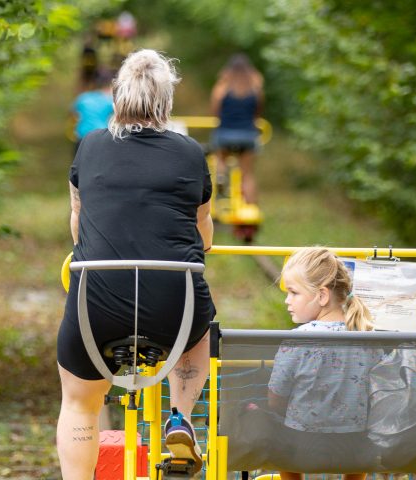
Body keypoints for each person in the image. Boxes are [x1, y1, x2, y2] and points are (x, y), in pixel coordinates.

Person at [55, 49, 215, 479]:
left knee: (79, 403)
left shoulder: (89, 147)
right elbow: (203, 233)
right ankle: (179, 417)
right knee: (200, 333)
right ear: (166, 100)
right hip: (173, 303)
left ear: (117, 96)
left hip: (98, 298)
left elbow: (78, 222)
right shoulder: (189, 153)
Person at [267, 248, 375, 480]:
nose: (287, 300)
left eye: (294, 293)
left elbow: (275, 399)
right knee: (362, 431)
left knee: (273, 423)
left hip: (302, 449)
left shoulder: (297, 339)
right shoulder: (369, 336)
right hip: (355, 450)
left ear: (322, 296)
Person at [210, 53, 265, 204]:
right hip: (248, 135)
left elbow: (215, 111)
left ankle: (221, 177)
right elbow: (258, 111)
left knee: (220, 159)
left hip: (225, 134)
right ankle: (251, 211)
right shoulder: (255, 87)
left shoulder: (222, 87)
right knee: (247, 175)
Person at [72, 72, 115, 140]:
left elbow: (74, 113)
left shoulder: (82, 97)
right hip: (100, 136)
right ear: (109, 87)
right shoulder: (109, 101)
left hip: (82, 136)